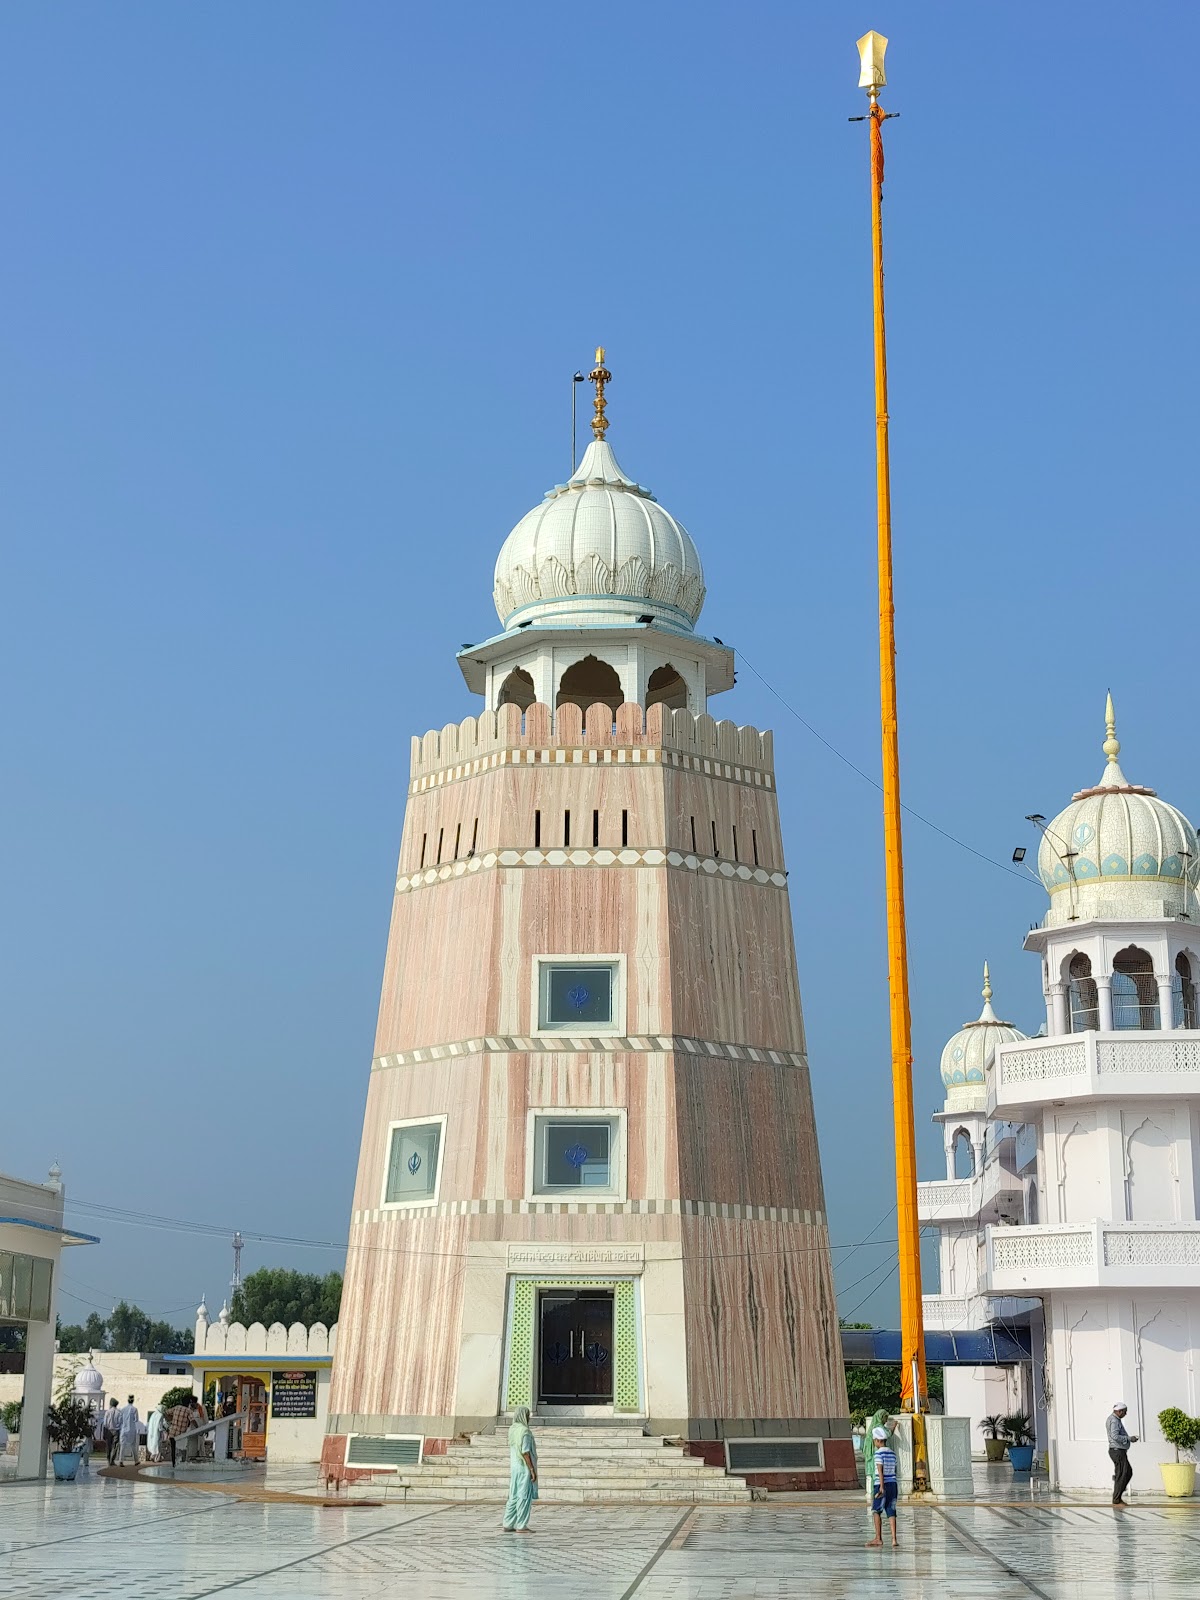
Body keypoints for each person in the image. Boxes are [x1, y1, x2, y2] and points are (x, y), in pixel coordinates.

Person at [501, 1407, 538, 1533]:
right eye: (527, 1416)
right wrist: (531, 1469)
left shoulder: (512, 1429)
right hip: (523, 1468)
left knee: (513, 1495)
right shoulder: (525, 1432)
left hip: (514, 1467)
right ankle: (521, 1525)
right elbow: (525, 1452)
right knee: (523, 1495)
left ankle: (508, 1523)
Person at [865, 1426, 899, 1549]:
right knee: (891, 1510)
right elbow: (895, 1470)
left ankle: (878, 1538)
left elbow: (880, 1470)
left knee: (876, 1510)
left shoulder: (878, 1453)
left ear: (878, 1440)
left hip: (881, 1484)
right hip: (893, 1484)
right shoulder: (893, 1453)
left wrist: (881, 1487)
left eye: (875, 1440)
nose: (874, 1442)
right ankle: (894, 1539)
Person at [861, 1408, 894, 1513]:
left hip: (872, 1457)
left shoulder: (872, 1428)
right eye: (885, 1418)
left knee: (874, 1477)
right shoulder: (879, 1427)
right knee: (878, 1475)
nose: (886, 1420)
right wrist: (894, 1426)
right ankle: (877, 1497)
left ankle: (875, 1498)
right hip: (877, 1456)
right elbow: (887, 1434)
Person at [1107, 1402, 1139, 1506]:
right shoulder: (1114, 1421)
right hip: (1117, 1451)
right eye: (1125, 1412)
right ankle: (1117, 1499)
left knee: (1126, 1472)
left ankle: (1119, 1490)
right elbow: (1115, 1436)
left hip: (1118, 1451)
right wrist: (1129, 1438)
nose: (1126, 1414)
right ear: (1120, 1411)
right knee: (1123, 1474)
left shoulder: (1115, 1419)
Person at [115, 1395, 141, 1466]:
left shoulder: (123, 1409)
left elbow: (120, 1420)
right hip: (132, 1429)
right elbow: (136, 1419)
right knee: (133, 1445)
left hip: (124, 1429)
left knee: (122, 1445)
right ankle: (136, 1460)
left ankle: (121, 1460)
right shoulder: (134, 1409)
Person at [104, 1398, 121, 1465]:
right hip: (116, 1431)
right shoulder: (119, 1412)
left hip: (109, 1430)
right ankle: (112, 1460)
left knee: (108, 1446)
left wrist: (104, 1432)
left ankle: (108, 1459)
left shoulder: (107, 1412)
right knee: (115, 1446)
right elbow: (120, 1423)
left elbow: (105, 1423)